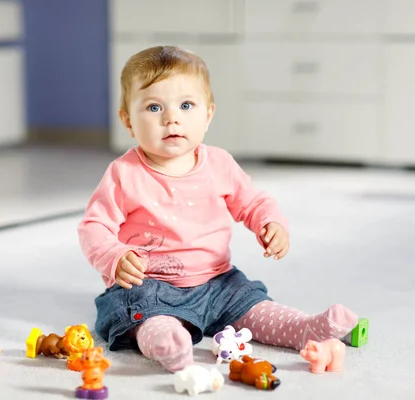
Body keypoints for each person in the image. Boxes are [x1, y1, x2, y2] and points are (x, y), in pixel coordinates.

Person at [78, 45, 359, 373]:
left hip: (218, 281)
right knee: (144, 312)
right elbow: (93, 227)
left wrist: (269, 223)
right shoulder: (124, 173)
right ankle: (167, 344)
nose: (171, 117)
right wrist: (114, 256)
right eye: (154, 107)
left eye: (186, 105)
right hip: (150, 284)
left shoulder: (220, 164)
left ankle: (302, 328)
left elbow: (254, 202)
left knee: (251, 304)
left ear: (208, 115)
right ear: (128, 120)